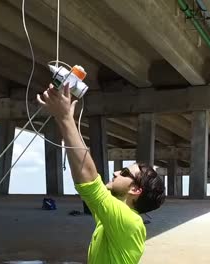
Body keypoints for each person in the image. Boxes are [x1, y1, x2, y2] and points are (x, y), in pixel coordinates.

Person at [37, 83, 166, 264]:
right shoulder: (112, 217)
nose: (115, 172)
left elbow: (90, 182)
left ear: (136, 190)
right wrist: (60, 116)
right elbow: (87, 182)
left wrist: (65, 118)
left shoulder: (129, 221)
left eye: (125, 172)